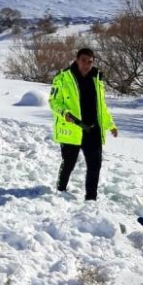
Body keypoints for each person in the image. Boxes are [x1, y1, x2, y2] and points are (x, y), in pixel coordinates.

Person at [48, 48, 118, 200]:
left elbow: (102, 107)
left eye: (90, 62)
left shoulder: (97, 78)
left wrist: (110, 124)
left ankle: (91, 198)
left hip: (93, 129)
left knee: (95, 165)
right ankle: (60, 190)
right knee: (69, 163)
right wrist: (64, 113)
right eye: (83, 61)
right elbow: (54, 102)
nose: (86, 65)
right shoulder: (63, 77)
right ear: (77, 60)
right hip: (73, 128)